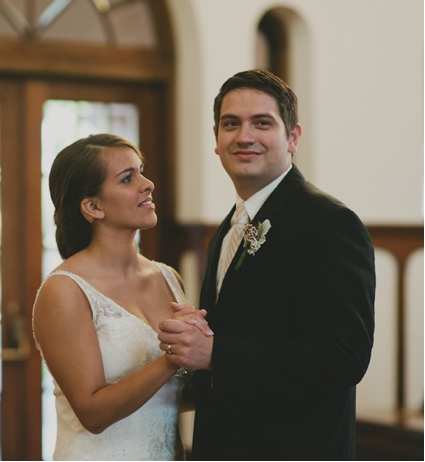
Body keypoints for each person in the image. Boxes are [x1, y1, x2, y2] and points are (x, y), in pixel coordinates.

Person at [158, 69, 376, 460]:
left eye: (262, 123)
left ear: (292, 137)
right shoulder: (227, 229)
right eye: (231, 124)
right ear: (216, 139)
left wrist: (216, 354)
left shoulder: (328, 222)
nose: (244, 136)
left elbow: (343, 356)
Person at [32, 133, 212, 460]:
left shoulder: (167, 277)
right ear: (93, 206)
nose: (148, 184)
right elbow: (93, 414)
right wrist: (172, 357)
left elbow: (171, 398)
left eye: (141, 171)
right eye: (128, 178)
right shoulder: (65, 290)